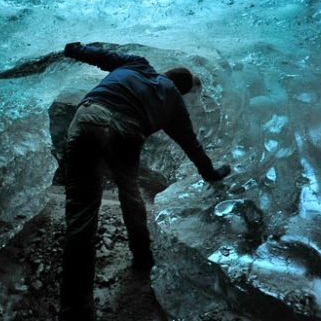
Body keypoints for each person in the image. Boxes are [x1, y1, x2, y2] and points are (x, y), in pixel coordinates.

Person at [59, 42, 231, 321]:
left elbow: (101, 56)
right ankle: (142, 256)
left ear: (165, 72)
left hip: (90, 116)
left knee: (81, 215)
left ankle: (76, 310)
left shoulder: (137, 64)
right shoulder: (174, 103)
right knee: (130, 193)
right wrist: (211, 173)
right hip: (127, 131)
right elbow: (191, 145)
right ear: (182, 90)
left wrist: (74, 49)